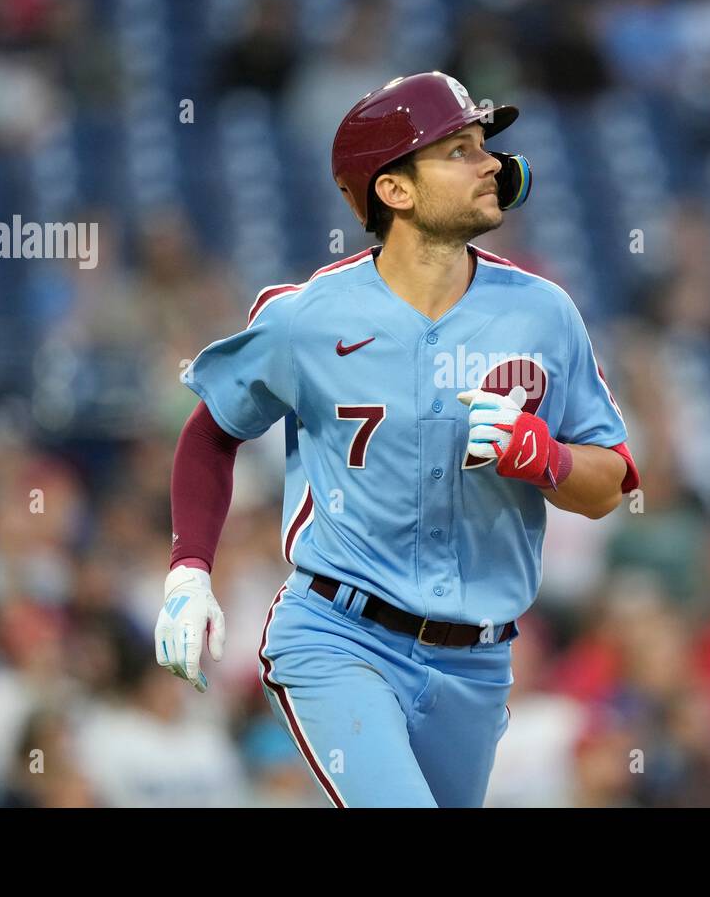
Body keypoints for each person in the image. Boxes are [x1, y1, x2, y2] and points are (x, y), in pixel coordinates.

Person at [155, 71, 639, 806]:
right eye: (460, 149)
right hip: (338, 635)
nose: (491, 166)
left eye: (485, 147)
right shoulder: (308, 316)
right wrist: (189, 570)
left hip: (476, 663)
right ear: (396, 190)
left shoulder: (544, 313)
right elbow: (213, 428)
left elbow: (611, 485)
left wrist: (549, 458)